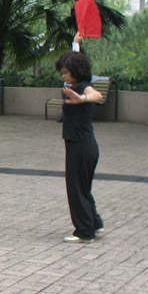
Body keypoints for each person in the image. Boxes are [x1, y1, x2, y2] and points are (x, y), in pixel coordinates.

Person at [55, 50, 105, 243]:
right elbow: (75, 58)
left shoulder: (84, 87)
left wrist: (82, 99)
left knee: (76, 189)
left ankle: (84, 231)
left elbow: (97, 95)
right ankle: (95, 223)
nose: (64, 76)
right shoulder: (77, 85)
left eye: (66, 72)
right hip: (84, 145)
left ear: (76, 71)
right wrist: (76, 42)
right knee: (83, 188)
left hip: (80, 146)